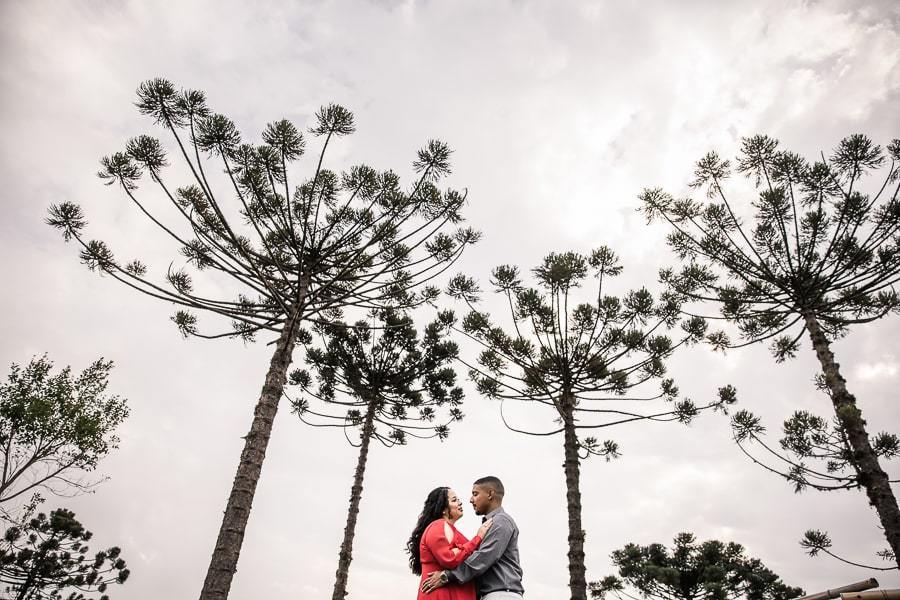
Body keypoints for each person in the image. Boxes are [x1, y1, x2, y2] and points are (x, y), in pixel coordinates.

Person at [421, 476, 524, 599]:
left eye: (475, 494)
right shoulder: (491, 524)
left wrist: (447, 576)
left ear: (490, 494)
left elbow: (482, 558)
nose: (470, 500)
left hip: (501, 594)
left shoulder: (501, 521)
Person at [408, 486, 494, 600]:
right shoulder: (437, 526)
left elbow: (468, 555)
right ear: (443, 509)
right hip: (441, 595)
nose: (460, 502)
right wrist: (478, 537)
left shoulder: (452, 531)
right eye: (454, 500)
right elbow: (450, 558)